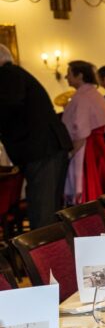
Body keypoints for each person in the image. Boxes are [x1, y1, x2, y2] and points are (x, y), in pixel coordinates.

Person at [0, 44, 72, 228]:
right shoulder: (14, 74)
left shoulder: (7, 74)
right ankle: (52, 244)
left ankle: (43, 246)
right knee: (47, 207)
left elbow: (8, 106)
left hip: (41, 149)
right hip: (45, 148)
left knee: (42, 210)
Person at [62, 61, 105, 204]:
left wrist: (71, 152)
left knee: (89, 188)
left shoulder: (82, 97)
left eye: (69, 73)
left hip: (87, 149)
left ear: (79, 75)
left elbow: (81, 130)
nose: (66, 77)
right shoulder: (94, 94)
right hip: (98, 146)